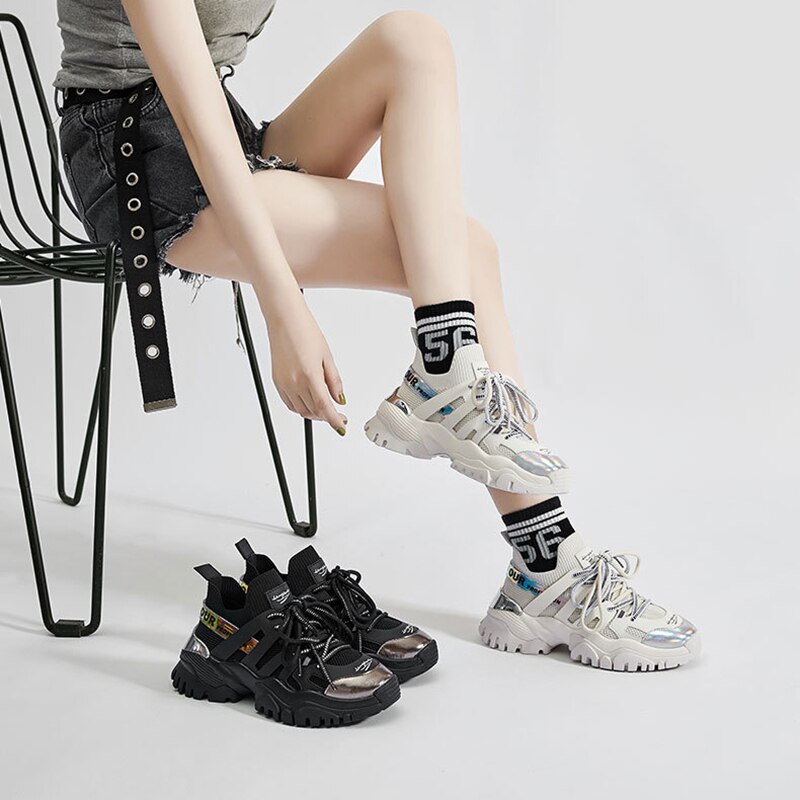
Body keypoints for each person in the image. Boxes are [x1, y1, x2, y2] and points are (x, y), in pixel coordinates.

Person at [54, 0, 700, 677]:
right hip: (133, 156)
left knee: (410, 40)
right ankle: (548, 566)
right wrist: (283, 310)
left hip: (220, 127)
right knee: (465, 253)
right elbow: (192, 117)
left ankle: (448, 369)